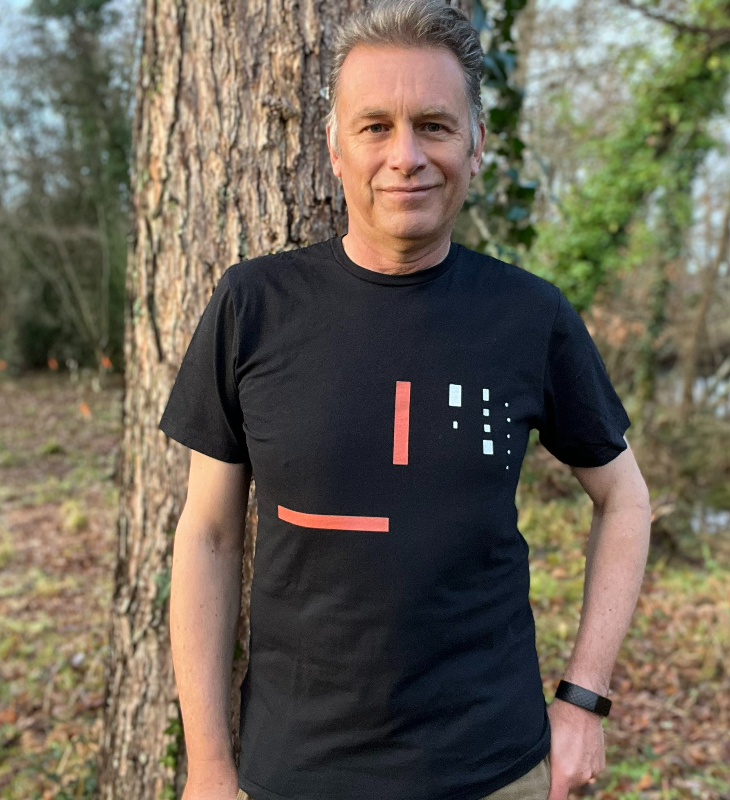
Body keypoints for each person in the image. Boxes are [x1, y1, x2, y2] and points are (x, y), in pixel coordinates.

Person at [158, 1, 652, 799]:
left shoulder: (530, 317)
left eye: (435, 125)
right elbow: (209, 535)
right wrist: (209, 767)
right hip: (291, 773)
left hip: (496, 771)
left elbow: (625, 498)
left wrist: (584, 701)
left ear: (477, 144)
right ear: (335, 147)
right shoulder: (254, 305)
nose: (407, 156)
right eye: (375, 126)